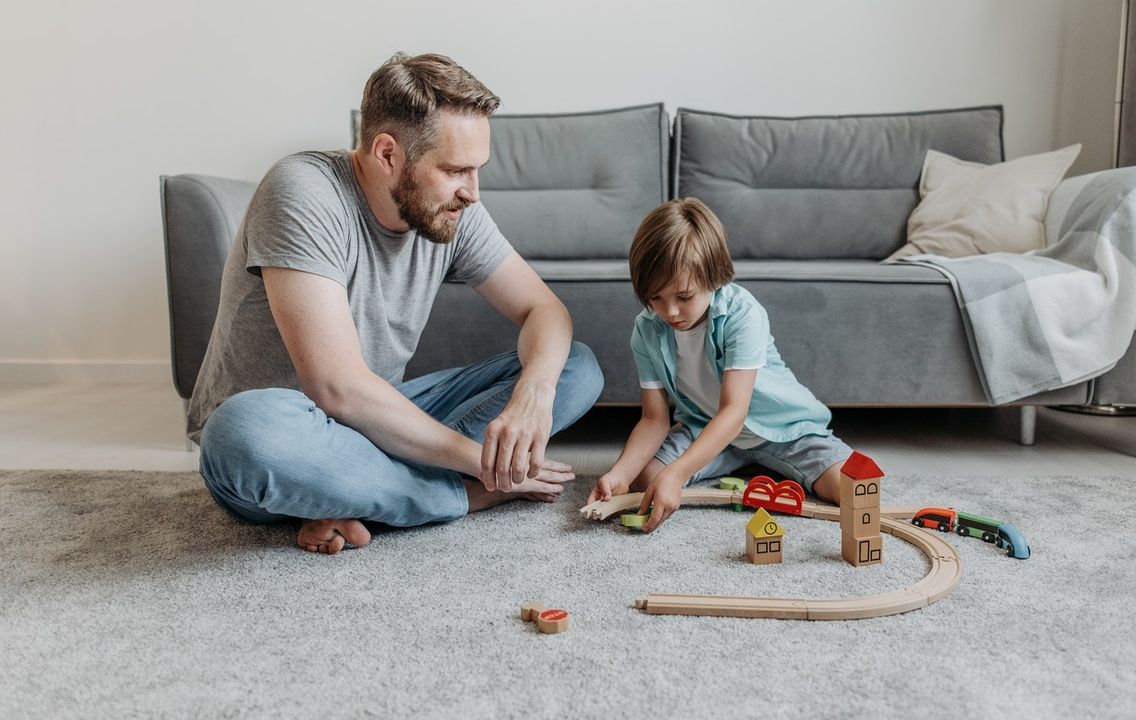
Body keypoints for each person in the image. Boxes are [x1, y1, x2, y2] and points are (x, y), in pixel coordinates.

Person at [190, 52, 603, 554]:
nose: (472, 192)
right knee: (240, 434)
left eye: (477, 170)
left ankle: (353, 495)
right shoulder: (302, 192)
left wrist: (533, 395)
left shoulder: (454, 210)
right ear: (388, 154)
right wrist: (481, 466)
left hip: (382, 420)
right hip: (292, 430)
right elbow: (336, 388)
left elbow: (545, 311)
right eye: (455, 170)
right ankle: (462, 497)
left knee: (575, 366)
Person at [587, 198, 853, 532]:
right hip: (704, 428)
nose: (669, 312)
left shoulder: (743, 313)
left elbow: (734, 412)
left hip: (783, 431)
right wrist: (619, 475)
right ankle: (741, 465)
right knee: (647, 480)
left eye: (684, 297)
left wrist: (679, 472)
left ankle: (769, 463)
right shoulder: (646, 329)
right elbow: (654, 420)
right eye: (656, 298)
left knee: (854, 489)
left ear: (713, 278)